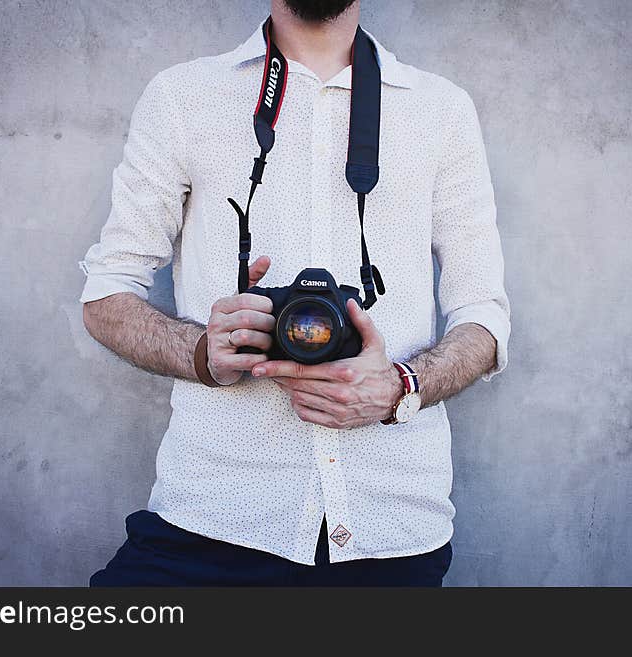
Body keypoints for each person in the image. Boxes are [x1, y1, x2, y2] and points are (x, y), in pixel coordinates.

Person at [79, 0, 510, 587]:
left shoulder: (440, 109)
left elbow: (484, 312)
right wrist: (204, 351)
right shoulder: (184, 96)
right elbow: (106, 293)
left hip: (391, 523)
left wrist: (399, 388)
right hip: (213, 515)